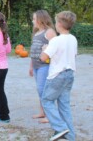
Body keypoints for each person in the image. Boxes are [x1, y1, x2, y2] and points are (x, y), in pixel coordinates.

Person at [40, 11, 77, 141]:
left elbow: (44, 58)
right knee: (64, 106)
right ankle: (70, 136)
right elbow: (73, 55)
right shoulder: (73, 39)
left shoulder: (56, 40)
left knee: (46, 100)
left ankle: (61, 128)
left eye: (56, 22)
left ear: (60, 24)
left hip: (57, 76)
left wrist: (45, 49)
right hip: (70, 74)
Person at [29, 10, 57, 123]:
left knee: (43, 90)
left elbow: (56, 48)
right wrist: (31, 66)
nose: (32, 21)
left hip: (44, 66)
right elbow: (33, 51)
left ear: (40, 20)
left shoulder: (49, 32)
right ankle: (42, 112)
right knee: (39, 89)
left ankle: (49, 115)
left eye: (34, 19)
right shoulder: (36, 33)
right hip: (36, 66)